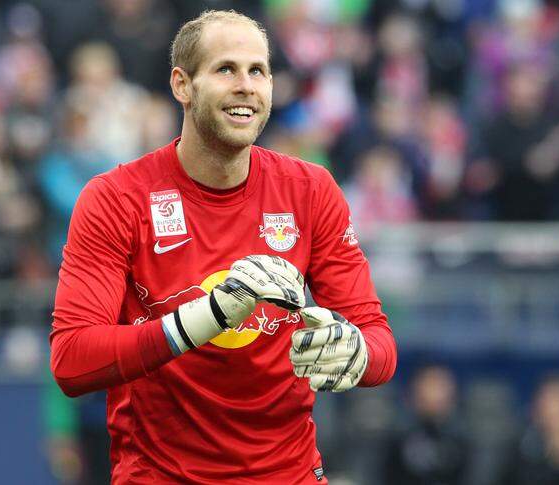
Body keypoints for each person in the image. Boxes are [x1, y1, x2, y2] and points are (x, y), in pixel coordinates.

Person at [49, 9, 397, 484]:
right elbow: (72, 359)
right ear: (181, 85)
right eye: (225, 69)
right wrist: (206, 318)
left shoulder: (311, 190)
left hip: (288, 474)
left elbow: (380, 342)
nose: (246, 86)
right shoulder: (116, 198)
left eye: (259, 71)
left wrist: (356, 352)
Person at [381, 365, 469, 485]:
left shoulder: (465, 442)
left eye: (440, 386)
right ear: (413, 394)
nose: (435, 394)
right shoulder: (395, 441)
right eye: (430, 385)